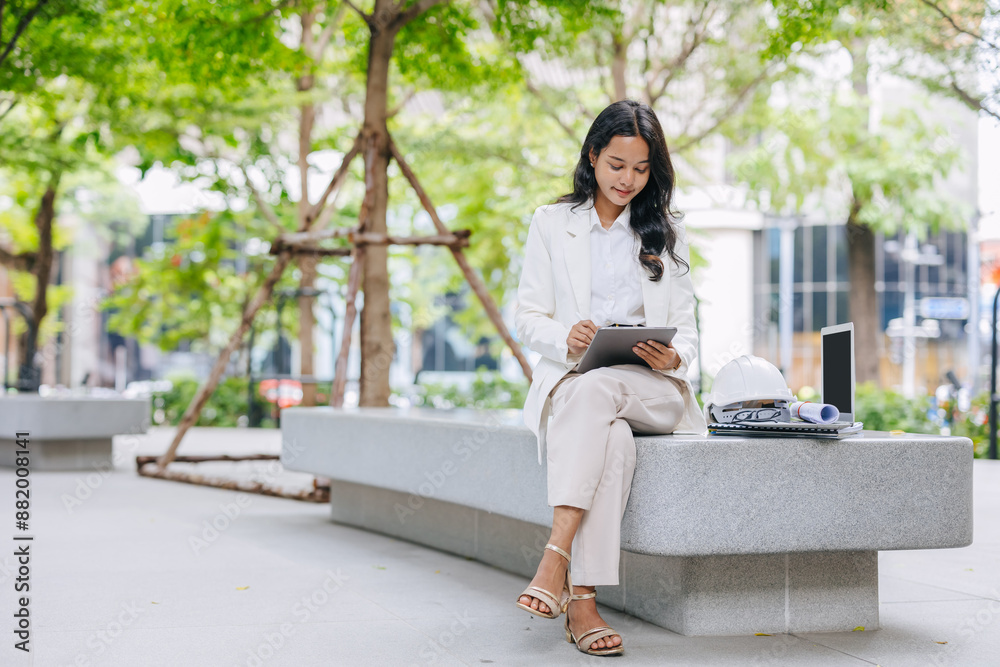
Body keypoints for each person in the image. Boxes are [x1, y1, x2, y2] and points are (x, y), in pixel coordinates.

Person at [513, 99, 706, 656]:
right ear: (593, 156)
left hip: (651, 389)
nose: (629, 179)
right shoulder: (552, 223)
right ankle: (583, 602)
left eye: (642, 169)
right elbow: (528, 316)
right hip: (581, 382)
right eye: (618, 165)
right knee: (612, 440)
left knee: (601, 391)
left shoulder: (665, 230)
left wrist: (674, 359)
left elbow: (688, 327)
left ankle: (554, 556)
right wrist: (565, 338)